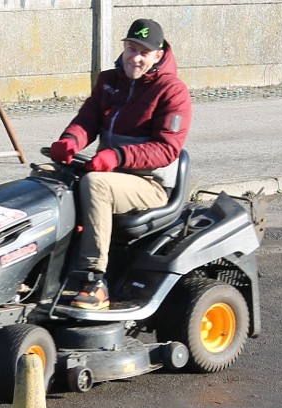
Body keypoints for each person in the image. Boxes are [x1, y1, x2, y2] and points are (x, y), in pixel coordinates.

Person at [50, 18, 192, 310]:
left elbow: (167, 148)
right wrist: (71, 140)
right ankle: (46, 271)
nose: (135, 57)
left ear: (158, 54)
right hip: (110, 171)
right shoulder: (109, 81)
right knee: (51, 180)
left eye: (143, 51)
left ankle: (93, 280)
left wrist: (118, 156)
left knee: (95, 184)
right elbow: (87, 119)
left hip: (149, 183)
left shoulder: (172, 91)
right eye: (131, 48)